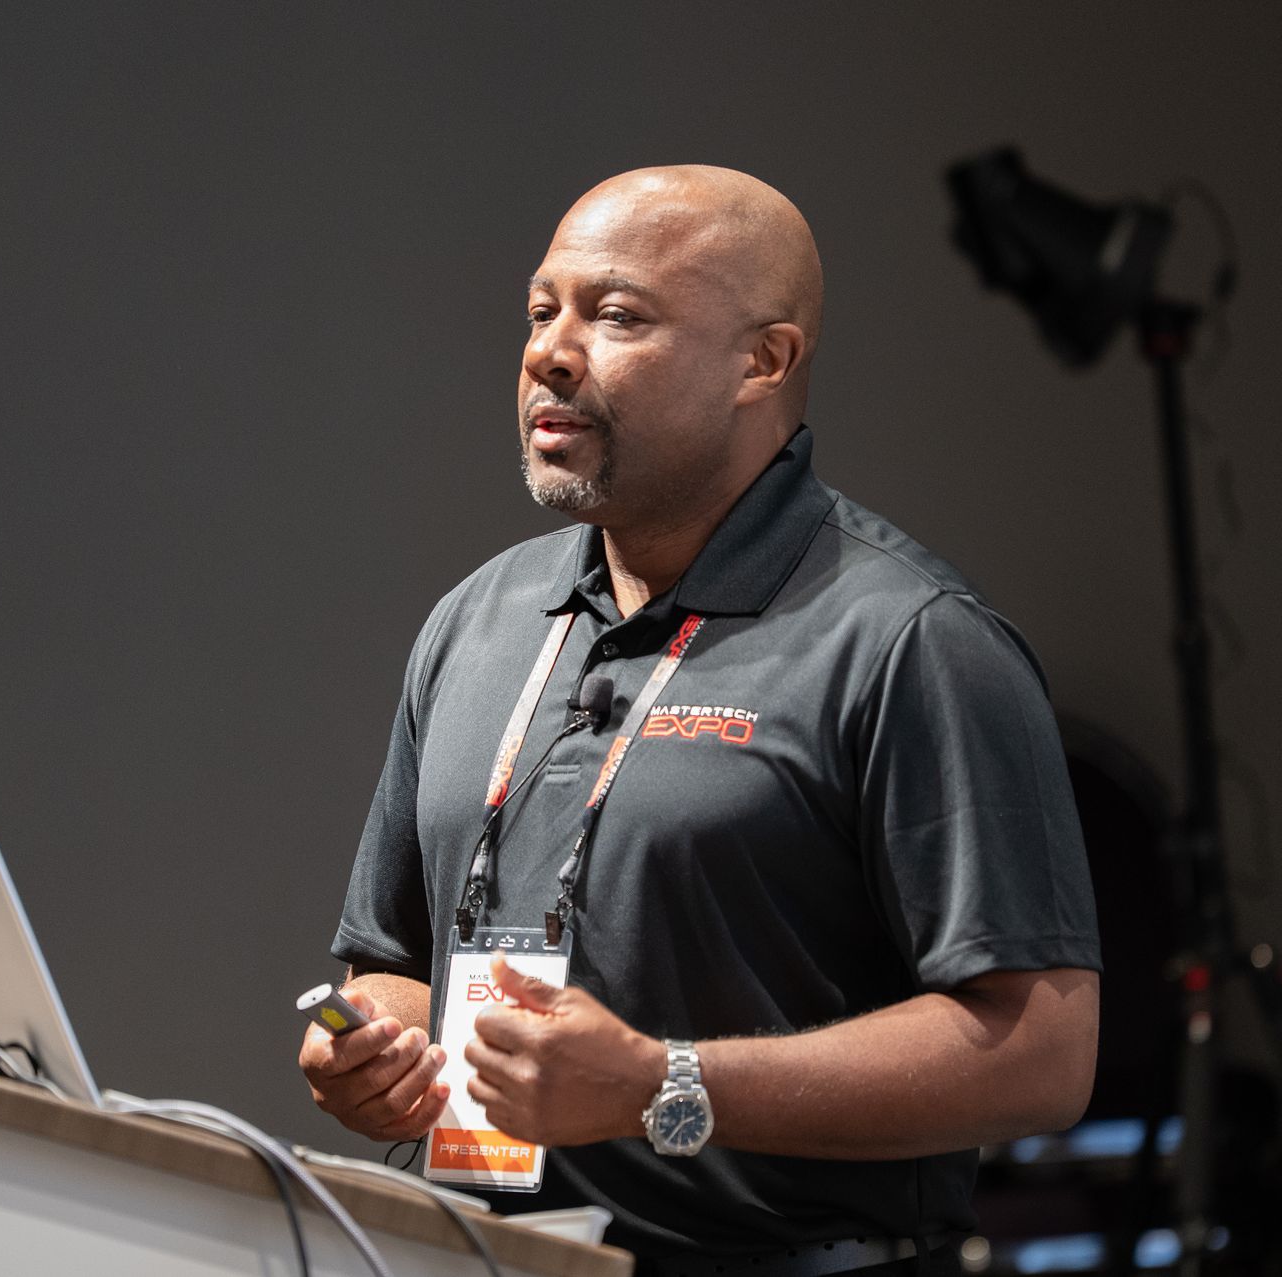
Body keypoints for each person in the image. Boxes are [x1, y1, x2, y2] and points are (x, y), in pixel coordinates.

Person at [298, 165, 1102, 1277]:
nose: (551, 351)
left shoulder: (913, 639)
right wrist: (375, 1044)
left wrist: (662, 1086)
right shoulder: (478, 618)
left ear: (762, 361)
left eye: (617, 315)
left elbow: (1041, 1054)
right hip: (481, 1251)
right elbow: (387, 957)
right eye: (542, 311)